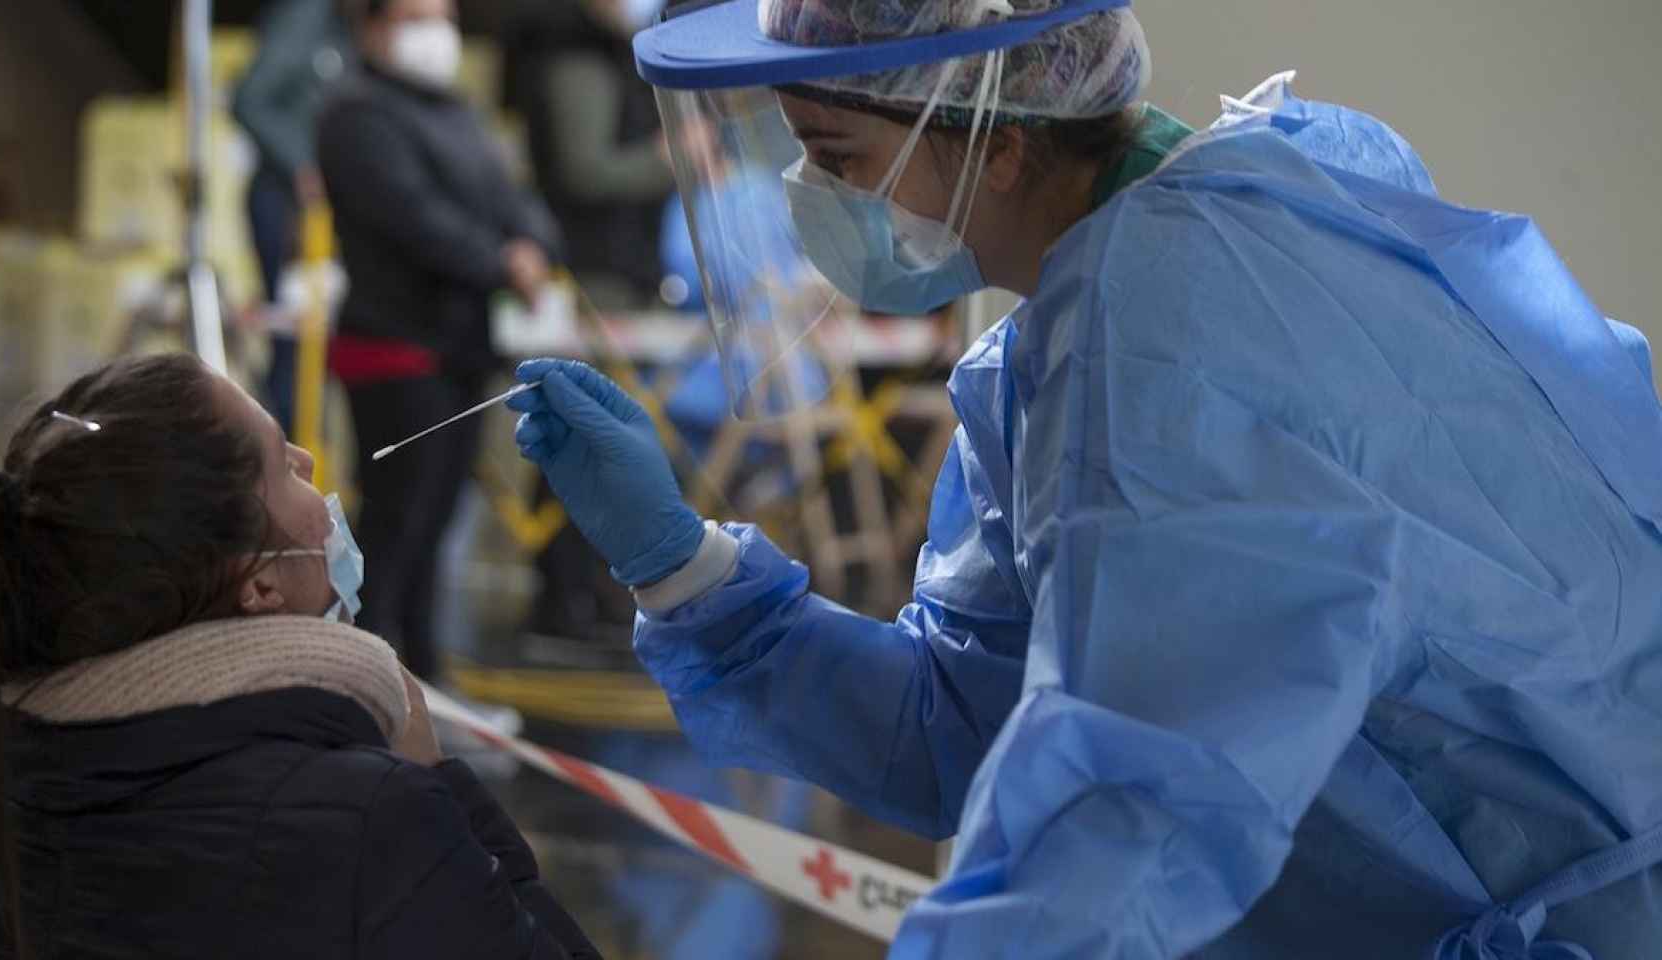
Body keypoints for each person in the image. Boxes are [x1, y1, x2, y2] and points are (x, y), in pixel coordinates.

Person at [506, 0, 1662, 957]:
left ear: (997, 144)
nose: (810, 199)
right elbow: (976, 722)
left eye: (836, 158)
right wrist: (686, 569)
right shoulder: (1144, 282)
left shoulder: (1167, 334)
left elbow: (1127, 815)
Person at [0, 353, 601, 959]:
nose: (309, 462)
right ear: (259, 584)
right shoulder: (377, 821)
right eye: (282, 465)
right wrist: (442, 782)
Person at [318, 0, 563, 680]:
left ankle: (424, 681)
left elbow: (510, 196)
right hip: (393, 350)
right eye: (413, 16)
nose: (434, 33)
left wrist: (533, 245)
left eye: (441, 16)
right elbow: (412, 218)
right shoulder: (355, 114)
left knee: (435, 529)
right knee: (396, 525)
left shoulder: (454, 110)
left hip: (459, 348)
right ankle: (359, 677)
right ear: (370, 27)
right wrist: (500, 262)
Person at [232, 0, 354, 431]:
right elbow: (249, 99)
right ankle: (287, 464)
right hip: (290, 209)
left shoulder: (352, 27)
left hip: (332, 212)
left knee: (319, 349)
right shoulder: (305, 18)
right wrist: (301, 163)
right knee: (296, 345)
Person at [514, 0, 674, 309]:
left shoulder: (617, 51)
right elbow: (585, 171)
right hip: (596, 272)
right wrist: (665, 160)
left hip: (627, 264)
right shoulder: (578, 57)